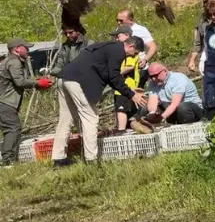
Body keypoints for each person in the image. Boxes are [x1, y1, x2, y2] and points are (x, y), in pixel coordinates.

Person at [53, 37, 147, 166]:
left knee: (66, 119)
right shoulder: (118, 51)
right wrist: (132, 94)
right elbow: (114, 77)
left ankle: (59, 159)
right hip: (78, 82)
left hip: (64, 78)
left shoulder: (107, 46)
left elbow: (107, 75)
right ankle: (91, 159)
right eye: (135, 53)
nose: (134, 55)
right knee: (90, 118)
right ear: (131, 46)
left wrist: (129, 90)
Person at [0, 38, 52, 165]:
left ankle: (9, 160)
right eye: (26, 47)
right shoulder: (14, 62)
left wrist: (36, 82)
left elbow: (17, 80)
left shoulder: (10, 61)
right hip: (5, 102)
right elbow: (20, 82)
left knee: (13, 128)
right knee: (12, 129)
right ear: (17, 49)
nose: (28, 49)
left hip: (5, 102)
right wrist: (37, 83)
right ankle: (8, 162)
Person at [140, 63, 204, 124]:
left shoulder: (177, 79)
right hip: (171, 109)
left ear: (165, 71)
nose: (154, 79)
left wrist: (161, 117)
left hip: (191, 109)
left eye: (156, 75)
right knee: (145, 110)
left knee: (182, 107)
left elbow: (175, 104)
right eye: (151, 76)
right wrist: (152, 113)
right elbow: (152, 101)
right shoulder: (153, 83)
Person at [109, 25, 140, 131]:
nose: (116, 39)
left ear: (127, 36)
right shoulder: (120, 51)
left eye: (118, 36)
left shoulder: (130, 52)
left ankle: (121, 130)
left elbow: (129, 66)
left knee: (121, 109)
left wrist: (114, 74)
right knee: (120, 109)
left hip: (126, 86)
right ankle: (123, 127)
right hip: (120, 87)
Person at [116, 10, 157, 88]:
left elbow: (153, 47)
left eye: (121, 20)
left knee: (136, 95)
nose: (118, 22)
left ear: (130, 20)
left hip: (138, 69)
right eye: (117, 20)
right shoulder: (118, 30)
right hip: (123, 68)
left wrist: (145, 59)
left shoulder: (140, 30)